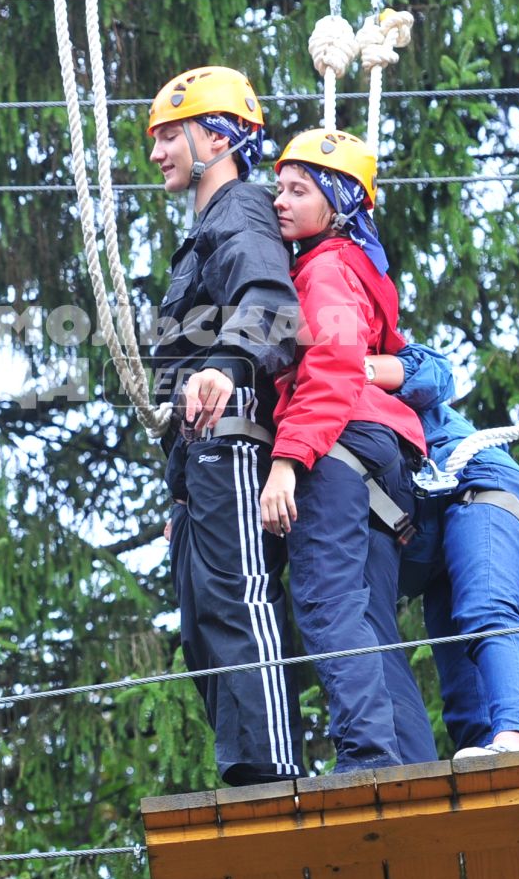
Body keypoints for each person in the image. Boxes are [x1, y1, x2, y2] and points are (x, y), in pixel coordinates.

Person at [146, 67, 307, 786]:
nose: (156, 154)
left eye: (169, 136)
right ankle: (250, 778)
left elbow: (270, 301)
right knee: (204, 627)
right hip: (199, 465)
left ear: (216, 136)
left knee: (237, 603)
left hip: (232, 443)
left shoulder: (239, 207)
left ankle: (270, 775)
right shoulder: (210, 228)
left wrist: (226, 366)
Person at [260, 128, 435, 772]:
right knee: (373, 629)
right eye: (279, 187)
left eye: (297, 190)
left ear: (335, 204)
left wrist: (287, 461)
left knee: (328, 604)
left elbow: (333, 366)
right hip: (380, 461)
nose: (280, 200)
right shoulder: (357, 272)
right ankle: (414, 767)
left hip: (335, 448)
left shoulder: (326, 270)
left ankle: (369, 759)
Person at [370, 344, 519, 799]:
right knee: (456, 665)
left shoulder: (369, 349)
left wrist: (360, 367)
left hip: (479, 488)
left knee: (486, 610)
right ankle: (488, 778)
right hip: (434, 529)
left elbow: (435, 372)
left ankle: (512, 745)